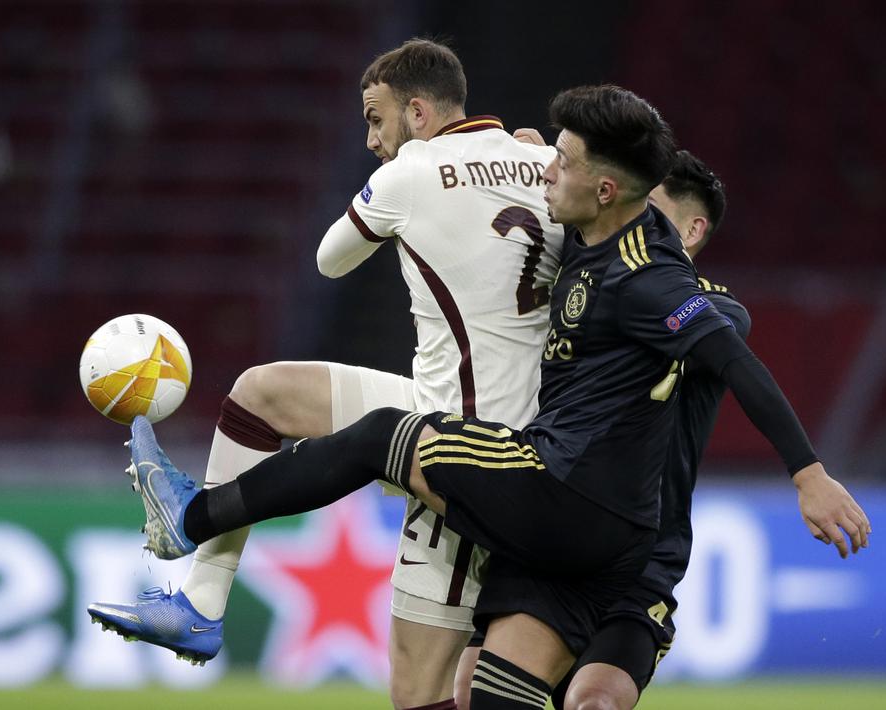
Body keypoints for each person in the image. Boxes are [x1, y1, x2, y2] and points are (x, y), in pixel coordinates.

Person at [118, 85, 869, 710]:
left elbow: (730, 352)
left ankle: (189, 517)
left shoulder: (654, 281)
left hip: (567, 497)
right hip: (585, 541)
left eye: (561, 163)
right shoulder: (595, 241)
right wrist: (515, 159)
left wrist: (807, 474)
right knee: (510, 699)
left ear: (607, 189)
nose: (547, 171)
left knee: (386, 435)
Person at [88, 38, 563, 710]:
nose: (371, 139)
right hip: (457, 412)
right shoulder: (545, 162)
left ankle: (193, 546)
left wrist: (408, 197)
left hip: (476, 455)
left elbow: (329, 260)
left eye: (376, 118)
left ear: (419, 113)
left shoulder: (411, 170)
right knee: (262, 394)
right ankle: (199, 603)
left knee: (419, 693)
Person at [453, 149, 744, 710]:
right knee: (469, 693)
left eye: (651, 210)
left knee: (593, 701)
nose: (635, 220)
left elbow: (706, 332)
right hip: (560, 529)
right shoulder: (586, 283)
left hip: (644, 559)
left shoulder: (717, 310)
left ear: (692, 227)